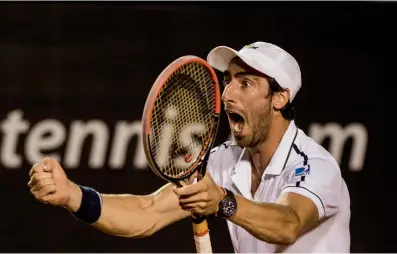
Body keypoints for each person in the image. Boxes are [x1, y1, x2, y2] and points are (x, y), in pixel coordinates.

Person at [28, 41, 351, 253]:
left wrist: (224, 202)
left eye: (246, 83)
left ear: (279, 98)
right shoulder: (223, 161)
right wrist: (73, 196)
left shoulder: (314, 164)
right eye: (228, 80)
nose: (227, 95)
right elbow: (147, 214)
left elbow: (288, 224)